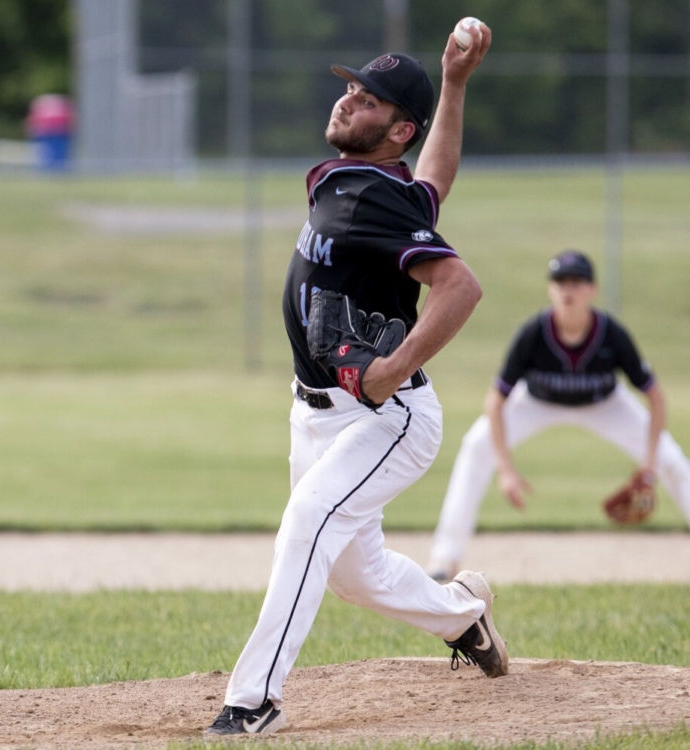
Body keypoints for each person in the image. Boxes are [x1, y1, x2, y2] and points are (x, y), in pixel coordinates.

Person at [206, 24, 506, 738]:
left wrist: (393, 370)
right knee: (355, 576)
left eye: (368, 100)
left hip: (386, 416)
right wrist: (456, 81)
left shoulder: (371, 193)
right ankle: (465, 615)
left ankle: (253, 702)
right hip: (316, 411)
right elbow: (434, 183)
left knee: (307, 522)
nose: (349, 101)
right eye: (350, 88)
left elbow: (459, 286)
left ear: (398, 127)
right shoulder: (375, 183)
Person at [426, 249, 690, 582]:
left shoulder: (611, 334)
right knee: (476, 446)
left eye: (577, 282)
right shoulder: (534, 333)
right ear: (550, 289)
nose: (568, 290)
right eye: (561, 282)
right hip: (537, 403)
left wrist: (650, 466)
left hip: (605, 404)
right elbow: (496, 402)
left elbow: (656, 397)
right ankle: (445, 555)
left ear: (591, 290)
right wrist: (506, 470)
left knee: (672, 461)